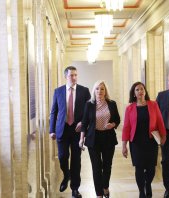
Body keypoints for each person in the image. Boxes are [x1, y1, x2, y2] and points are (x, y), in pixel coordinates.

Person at [49, 66, 91, 198]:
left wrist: (83, 123)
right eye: (71, 75)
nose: (74, 78)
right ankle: (66, 175)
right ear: (65, 76)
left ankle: (75, 189)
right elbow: (54, 111)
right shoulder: (58, 91)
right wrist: (51, 130)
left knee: (76, 160)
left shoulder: (84, 91)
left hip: (77, 131)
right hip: (62, 129)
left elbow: (89, 111)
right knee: (62, 157)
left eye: (75, 75)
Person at [122, 82, 167, 198]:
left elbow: (160, 121)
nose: (140, 91)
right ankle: (141, 191)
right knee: (139, 168)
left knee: (151, 168)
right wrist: (124, 145)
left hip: (150, 141)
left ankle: (148, 184)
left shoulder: (153, 105)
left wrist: (163, 135)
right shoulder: (130, 108)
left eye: (142, 89)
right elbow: (126, 127)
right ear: (134, 93)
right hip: (136, 142)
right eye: (137, 90)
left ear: (145, 91)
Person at [79, 80, 120, 198]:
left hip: (108, 138)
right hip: (93, 139)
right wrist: (81, 139)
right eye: (97, 88)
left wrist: (112, 125)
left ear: (105, 90)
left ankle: (105, 186)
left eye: (102, 89)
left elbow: (117, 119)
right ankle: (99, 194)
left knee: (107, 165)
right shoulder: (89, 104)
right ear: (94, 90)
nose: (100, 91)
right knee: (96, 167)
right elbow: (84, 122)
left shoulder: (112, 103)